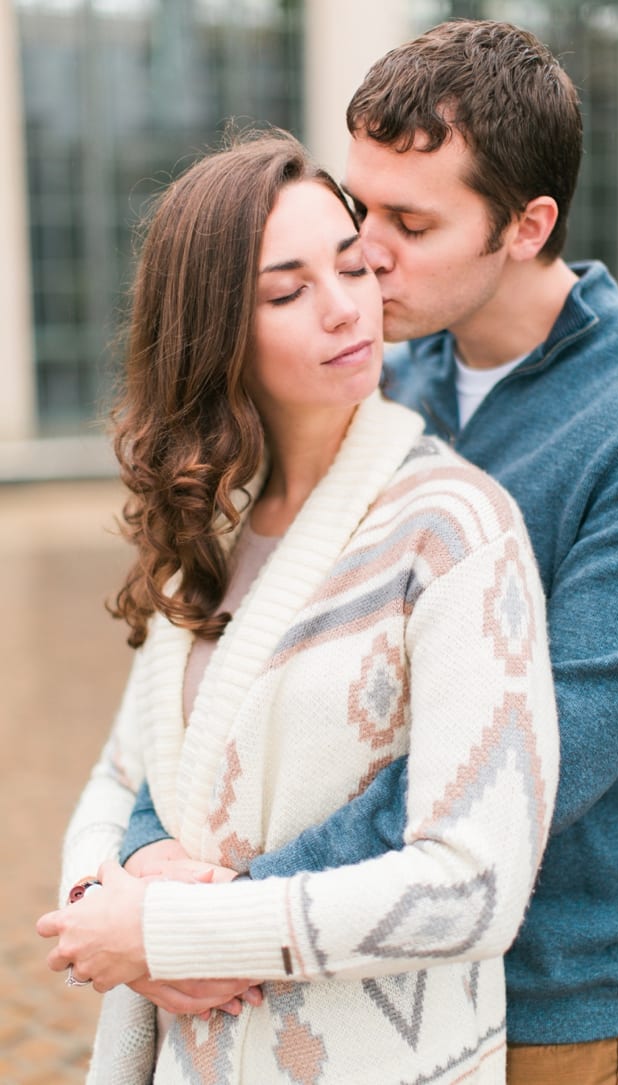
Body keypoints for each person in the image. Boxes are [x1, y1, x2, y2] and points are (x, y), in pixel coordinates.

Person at [98, 17, 618, 1084]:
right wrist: (155, 846)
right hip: (339, 996)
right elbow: (228, 653)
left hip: (551, 1002)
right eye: (359, 203)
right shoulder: (370, 374)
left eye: (410, 222)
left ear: (526, 225)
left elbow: (529, 764)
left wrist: (217, 920)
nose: (364, 251)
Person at [36, 129, 559, 1084]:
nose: (344, 309)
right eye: (287, 291)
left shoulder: (454, 529)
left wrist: (178, 930)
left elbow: (475, 881)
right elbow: (121, 779)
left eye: (353, 268)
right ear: (211, 328)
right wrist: (94, 900)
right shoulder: (209, 518)